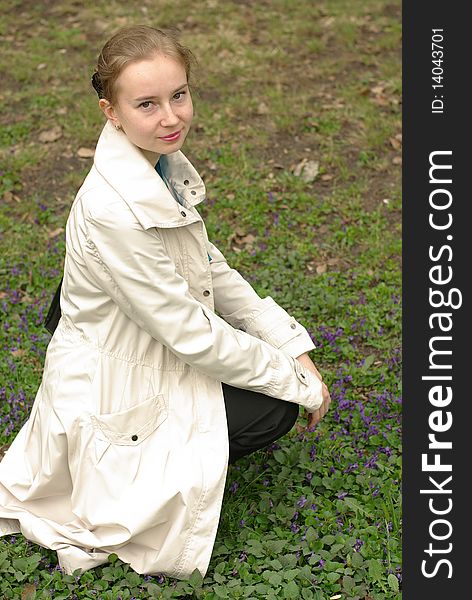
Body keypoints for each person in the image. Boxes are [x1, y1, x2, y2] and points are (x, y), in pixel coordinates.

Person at [0, 25, 331, 579]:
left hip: (135, 326)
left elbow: (209, 267)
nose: (171, 116)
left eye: (178, 95)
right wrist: (292, 381)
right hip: (118, 367)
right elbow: (190, 332)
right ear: (112, 111)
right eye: (147, 104)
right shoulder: (112, 207)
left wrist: (287, 342)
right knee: (272, 408)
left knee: (253, 382)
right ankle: (137, 477)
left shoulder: (158, 160)